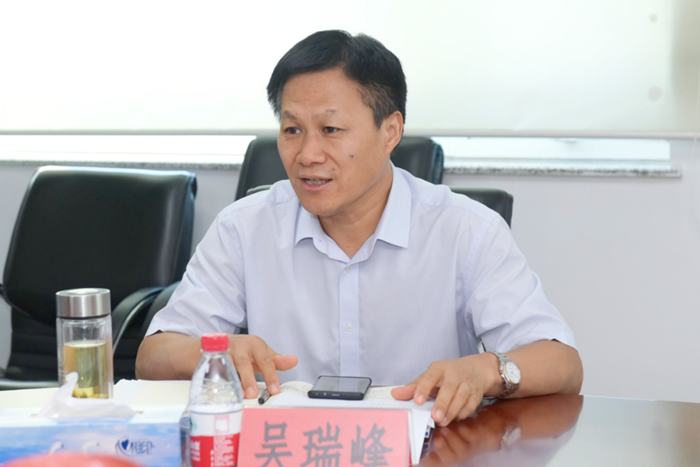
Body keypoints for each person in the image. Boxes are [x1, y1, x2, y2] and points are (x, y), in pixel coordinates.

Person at [136, 30, 583, 426]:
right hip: (288, 451)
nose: (307, 154)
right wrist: (212, 351)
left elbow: (562, 364)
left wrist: (485, 371)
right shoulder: (244, 227)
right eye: (292, 130)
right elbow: (152, 357)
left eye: (331, 129)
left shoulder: (466, 231)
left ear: (390, 132)